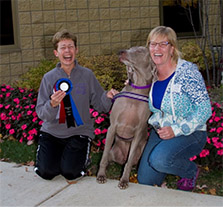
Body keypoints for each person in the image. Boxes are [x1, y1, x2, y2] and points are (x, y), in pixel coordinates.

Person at [34, 29, 118, 181]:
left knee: (70, 173)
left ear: (76, 50)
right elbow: (41, 112)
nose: (67, 51)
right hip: (52, 132)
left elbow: (100, 105)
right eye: (63, 47)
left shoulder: (87, 75)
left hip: (79, 132)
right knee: (46, 173)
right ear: (56, 53)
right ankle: (58, 156)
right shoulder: (48, 78)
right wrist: (52, 104)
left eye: (71, 46)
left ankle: (78, 159)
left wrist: (107, 97)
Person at [137, 26, 212, 191]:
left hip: (191, 133)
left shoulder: (187, 73)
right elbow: (136, 90)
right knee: (145, 180)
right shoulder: (150, 72)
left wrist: (176, 130)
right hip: (161, 131)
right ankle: (168, 160)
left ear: (172, 48)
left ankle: (190, 171)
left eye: (163, 44)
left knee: (159, 160)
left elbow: (205, 109)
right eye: (153, 44)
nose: (157, 49)